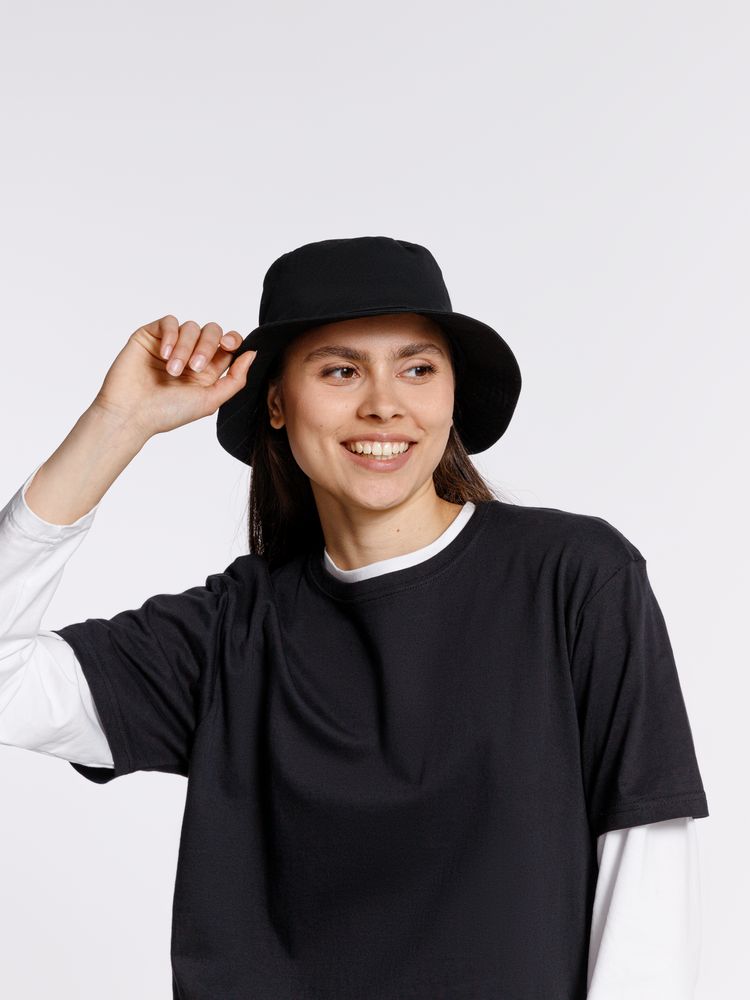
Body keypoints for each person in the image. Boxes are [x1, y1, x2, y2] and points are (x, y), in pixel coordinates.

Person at [0, 236, 709, 999]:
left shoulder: (574, 576)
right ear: (276, 402)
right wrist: (116, 423)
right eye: (340, 370)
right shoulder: (233, 631)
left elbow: (646, 863)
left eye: (417, 368)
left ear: (451, 394)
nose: (384, 404)